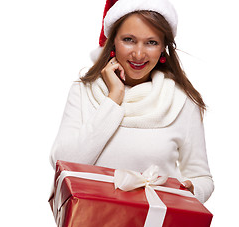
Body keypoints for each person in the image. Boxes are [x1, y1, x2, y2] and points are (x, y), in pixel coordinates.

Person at [49, 0, 214, 204]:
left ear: (163, 47)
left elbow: (202, 178)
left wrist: (191, 190)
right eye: (128, 39)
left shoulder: (180, 101)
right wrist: (114, 98)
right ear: (113, 41)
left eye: (151, 42)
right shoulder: (83, 92)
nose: (138, 54)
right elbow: (64, 164)